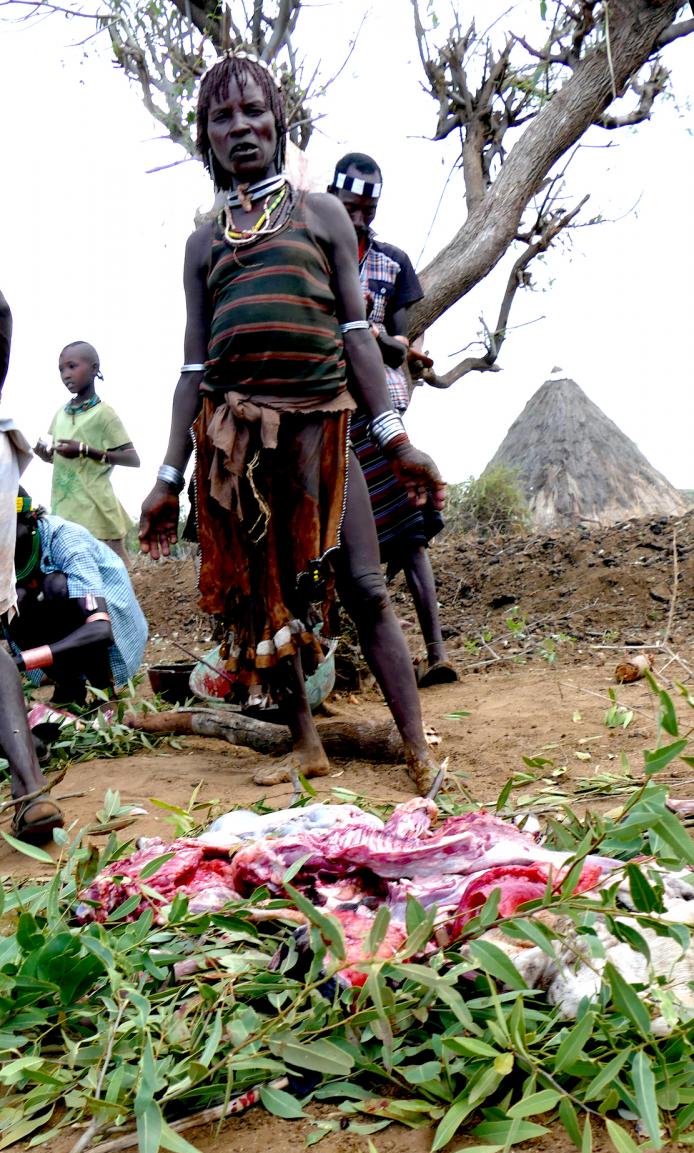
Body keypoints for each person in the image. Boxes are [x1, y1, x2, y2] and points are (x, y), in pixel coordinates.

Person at [139, 51, 444, 792]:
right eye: (222, 118)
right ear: (205, 136)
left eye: (252, 112)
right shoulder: (204, 243)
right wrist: (167, 477)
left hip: (324, 435)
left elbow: (355, 336)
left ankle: (416, 746)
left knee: (368, 587)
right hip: (240, 449)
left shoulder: (322, 215)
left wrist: (396, 439)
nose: (240, 128)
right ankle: (307, 744)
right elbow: (192, 372)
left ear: (278, 122)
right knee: (264, 609)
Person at [329, 153, 457, 688]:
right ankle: (337, 660)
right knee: (333, 539)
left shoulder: (391, 261)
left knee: (408, 532)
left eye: (367, 209)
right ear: (332, 199)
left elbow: (402, 341)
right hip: (329, 409)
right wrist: (380, 342)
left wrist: (393, 346)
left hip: (380, 412)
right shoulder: (309, 256)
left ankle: (436, 653)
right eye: (350, 208)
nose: (358, 219)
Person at [0, 288, 62, 843]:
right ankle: (28, 787)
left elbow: (102, 624)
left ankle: (28, 782)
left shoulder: (59, 542)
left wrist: (40, 657)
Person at [7, 494, 148, 708]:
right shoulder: (5, 557)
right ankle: (69, 687)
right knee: (15, 600)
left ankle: (104, 691)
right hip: (59, 631)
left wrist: (19, 662)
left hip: (110, 624)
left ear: (29, 518)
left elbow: (100, 630)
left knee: (56, 586)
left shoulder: (65, 538)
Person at [34, 341, 139, 563]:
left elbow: (132, 458)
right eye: (61, 369)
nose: (66, 374)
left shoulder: (104, 414)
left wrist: (85, 450)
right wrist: (47, 455)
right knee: (76, 578)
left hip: (97, 510)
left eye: (72, 366)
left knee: (113, 575)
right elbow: (66, 460)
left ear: (94, 368)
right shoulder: (60, 414)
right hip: (65, 510)